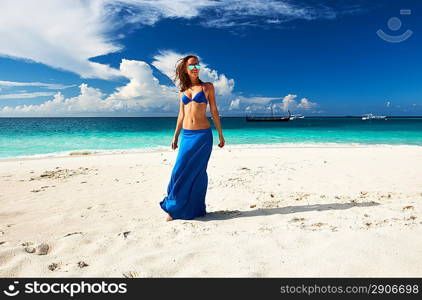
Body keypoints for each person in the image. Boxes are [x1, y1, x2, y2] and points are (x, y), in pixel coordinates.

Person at [160, 55, 225, 221]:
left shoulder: (207, 87)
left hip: (203, 136)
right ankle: (173, 208)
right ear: (185, 69)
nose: (195, 68)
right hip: (187, 136)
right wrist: (175, 136)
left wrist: (220, 134)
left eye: (197, 65)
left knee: (198, 173)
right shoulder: (182, 91)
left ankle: (195, 208)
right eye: (191, 66)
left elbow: (214, 112)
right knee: (179, 171)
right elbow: (181, 115)